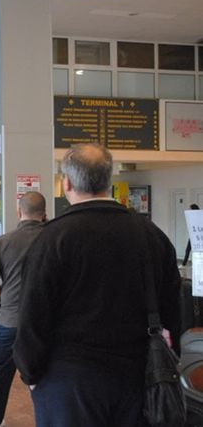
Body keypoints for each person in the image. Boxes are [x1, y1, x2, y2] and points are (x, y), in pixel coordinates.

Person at [13, 143, 181, 427]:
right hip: (137, 378)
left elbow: (33, 315)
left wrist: (30, 373)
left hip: (69, 380)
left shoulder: (52, 238)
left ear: (66, 183)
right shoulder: (151, 235)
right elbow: (172, 309)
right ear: (108, 180)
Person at [0, 191, 46, 427]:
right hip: (46, 324)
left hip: (11, 320)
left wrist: (2, 292)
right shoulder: (55, 239)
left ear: (19, 212)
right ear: (44, 214)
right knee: (47, 376)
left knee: (2, 373)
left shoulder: (4, 242)